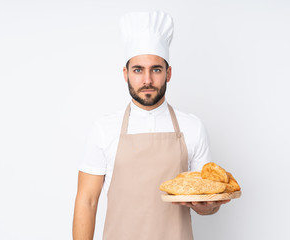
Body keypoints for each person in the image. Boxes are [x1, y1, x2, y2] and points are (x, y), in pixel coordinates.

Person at [72, 10, 230, 240]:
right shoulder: (104, 129)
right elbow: (87, 201)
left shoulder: (192, 127)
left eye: (156, 69)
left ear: (169, 73)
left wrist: (208, 207)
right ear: (126, 74)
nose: (147, 80)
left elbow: (209, 197)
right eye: (138, 70)